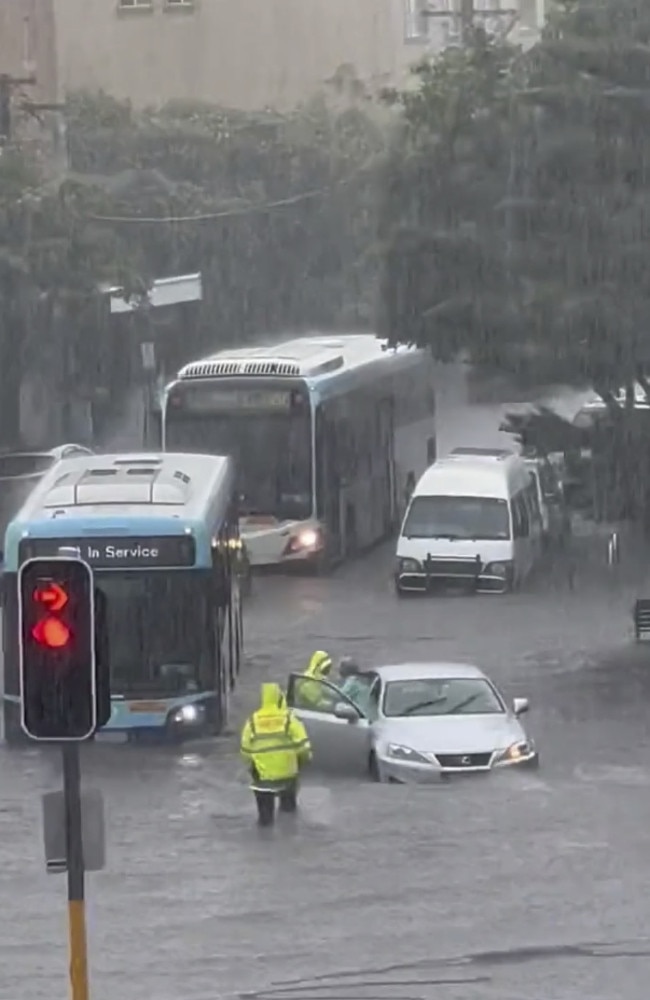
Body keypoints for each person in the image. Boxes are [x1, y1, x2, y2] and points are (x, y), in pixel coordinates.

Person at [240, 682, 312, 827]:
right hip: (288, 776)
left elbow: (245, 751)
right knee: (289, 817)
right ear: (280, 697)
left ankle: (264, 841)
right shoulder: (288, 719)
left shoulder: (253, 721)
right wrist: (303, 761)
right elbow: (304, 746)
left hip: (263, 778)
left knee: (265, 821)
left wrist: (254, 766)